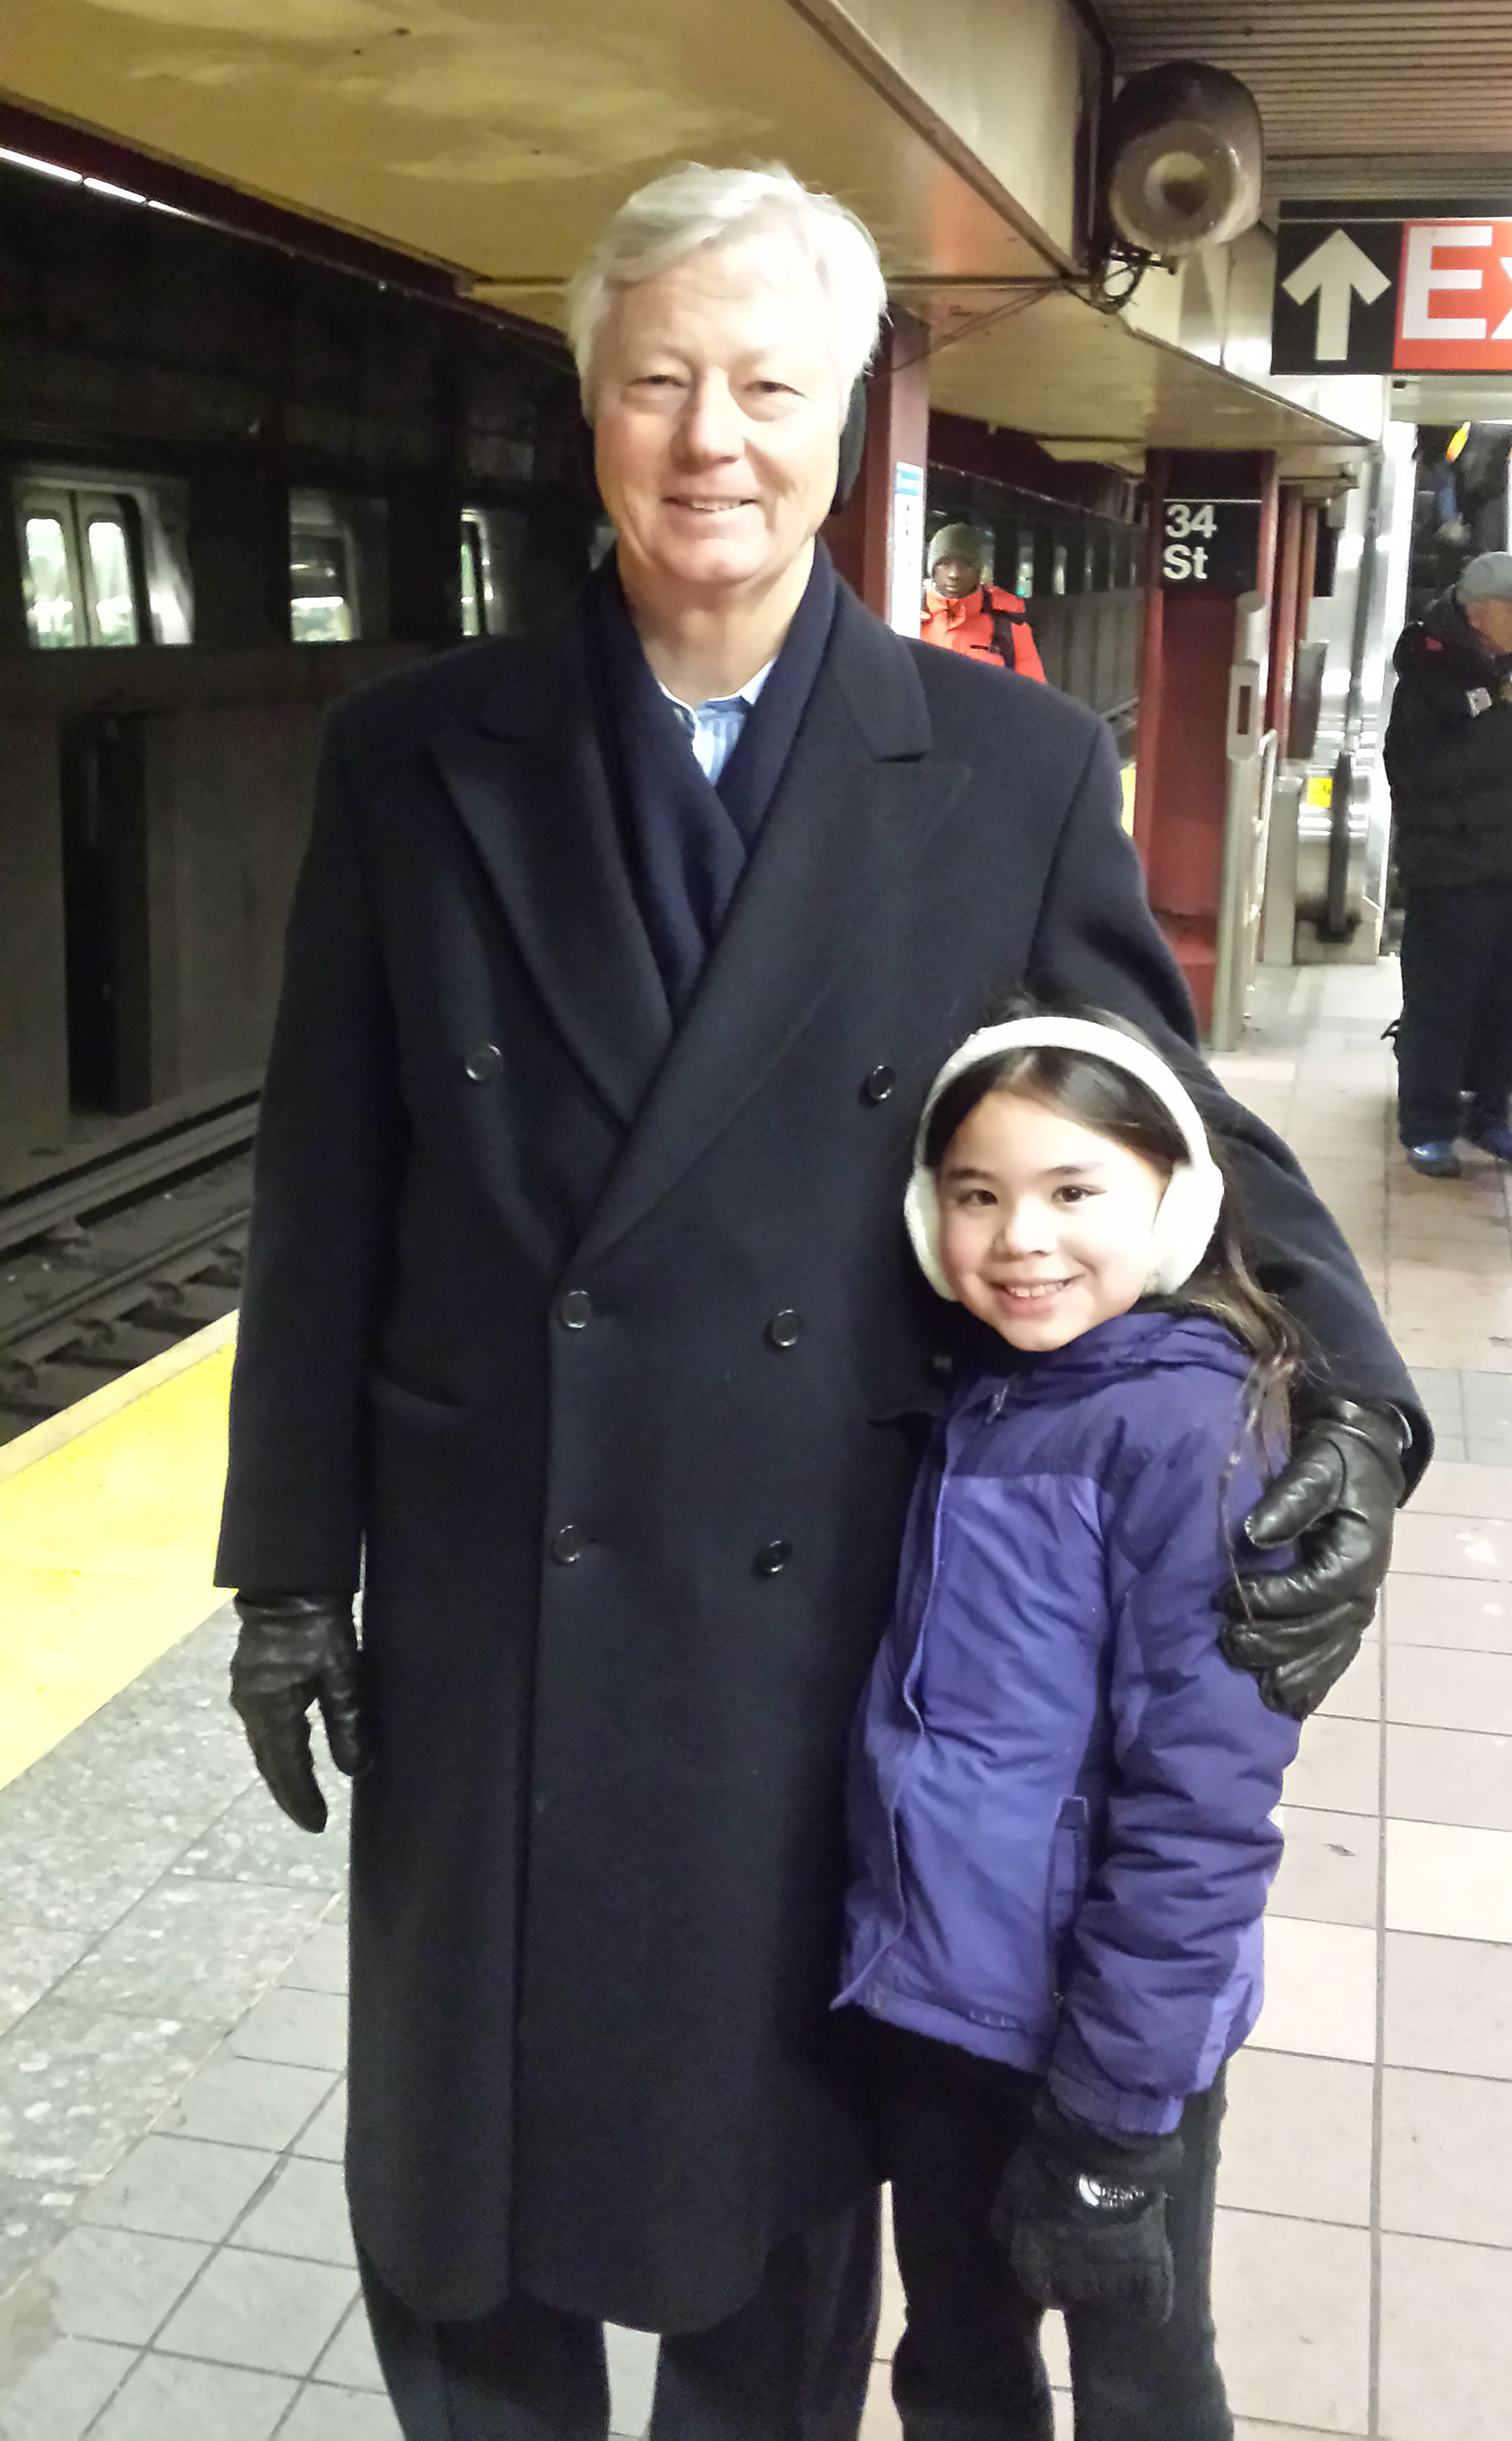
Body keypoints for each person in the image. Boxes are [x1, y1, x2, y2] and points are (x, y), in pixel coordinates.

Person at [218, 160, 1424, 2441]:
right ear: (589, 404)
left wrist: (1353, 1404)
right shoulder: (416, 754)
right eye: (659, 381)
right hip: (494, 1591)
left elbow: (1169, 1115)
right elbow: (328, 1189)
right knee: (457, 2177)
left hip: (808, 1612)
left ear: (844, 416)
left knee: (759, 2198)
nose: (712, 440)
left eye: (766, 387)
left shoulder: (1005, 768)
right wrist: (287, 1569)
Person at [839, 997, 1306, 2439]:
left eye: (1072, 1191)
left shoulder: (1187, 1431)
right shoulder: (986, 1391)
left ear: (1175, 1201)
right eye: (976, 1194)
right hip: (943, 2013)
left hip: (1110, 2044)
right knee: (957, 2354)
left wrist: (1113, 2115)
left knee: (1144, 2382)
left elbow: (1203, 1809)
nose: (1019, 1238)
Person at [1384, 548, 1512, 1177]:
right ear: (1478, 612)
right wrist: (1497, 715)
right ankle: (1428, 1126)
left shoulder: (1511, 671)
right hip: (1451, 872)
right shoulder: (1429, 675)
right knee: (1441, 1004)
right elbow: (1419, 771)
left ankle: (1492, 1110)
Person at [921, 522, 1046, 680]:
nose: (954, 574)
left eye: (966, 565)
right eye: (945, 564)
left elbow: (1032, 688)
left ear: (979, 572)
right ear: (932, 569)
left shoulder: (1009, 625)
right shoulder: (905, 613)